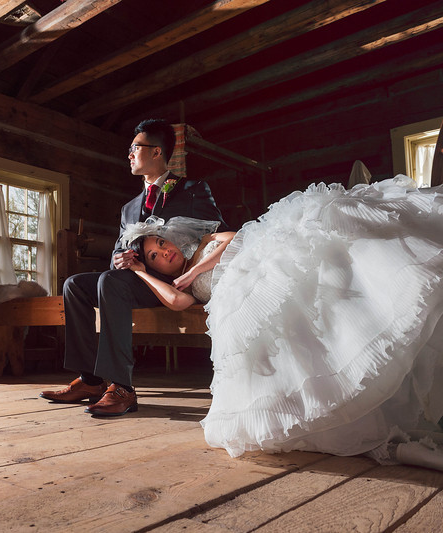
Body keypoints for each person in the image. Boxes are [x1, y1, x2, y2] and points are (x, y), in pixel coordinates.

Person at [123, 175, 443, 470]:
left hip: (265, 253)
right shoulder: (184, 288)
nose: (164, 253)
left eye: (161, 244)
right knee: (300, 310)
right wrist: (139, 272)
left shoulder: (205, 242)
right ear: (155, 270)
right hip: (250, 290)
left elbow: (233, 239)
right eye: (153, 257)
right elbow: (177, 302)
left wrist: (194, 269)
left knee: (334, 233)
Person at [40, 118, 226, 416]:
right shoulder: (129, 207)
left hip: (171, 282)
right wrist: (118, 259)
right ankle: (90, 381)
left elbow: (216, 233)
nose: (128, 154)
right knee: (74, 284)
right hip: (132, 280)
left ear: (156, 152)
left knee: (110, 283)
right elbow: (118, 249)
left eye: (134, 148)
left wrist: (189, 271)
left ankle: (123, 387)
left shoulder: (192, 190)